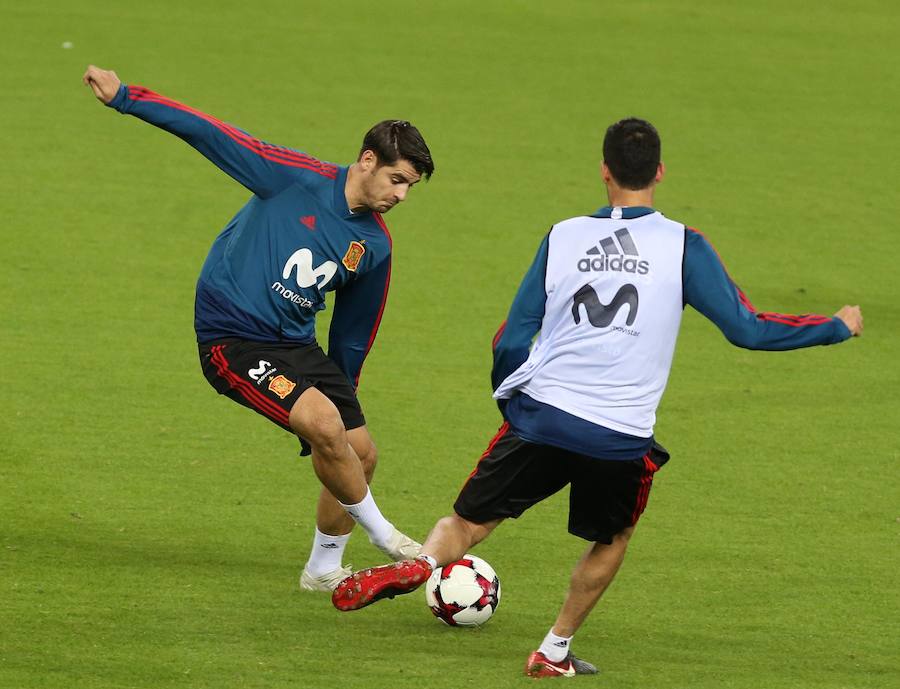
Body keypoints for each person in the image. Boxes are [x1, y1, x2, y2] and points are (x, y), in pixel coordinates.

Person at [330, 118, 863, 677]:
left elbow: (510, 338)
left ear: (604, 172)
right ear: (658, 172)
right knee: (612, 536)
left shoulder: (562, 235)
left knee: (467, 524)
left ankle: (422, 564)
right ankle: (552, 650)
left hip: (541, 417)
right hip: (618, 434)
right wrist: (833, 326)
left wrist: (513, 403)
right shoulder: (684, 245)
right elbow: (747, 329)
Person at [83, 65, 435, 592]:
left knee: (360, 452)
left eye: (410, 186)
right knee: (324, 425)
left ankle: (322, 570)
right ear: (368, 161)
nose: (402, 196)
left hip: (295, 343)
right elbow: (211, 132)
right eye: (397, 180)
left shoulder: (376, 247)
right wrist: (128, 98)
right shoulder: (293, 178)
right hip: (231, 336)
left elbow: (352, 334)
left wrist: (343, 400)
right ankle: (386, 536)